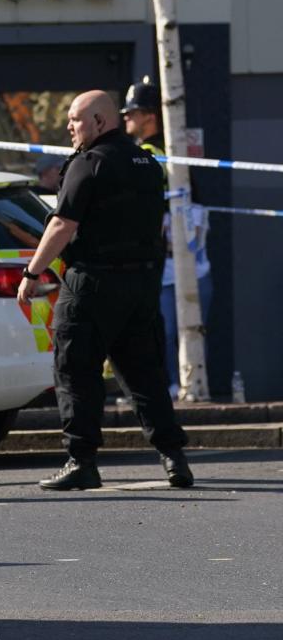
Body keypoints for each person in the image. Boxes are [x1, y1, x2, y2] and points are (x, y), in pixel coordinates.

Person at [16, 90, 194, 490]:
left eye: (75, 120)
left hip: (92, 285)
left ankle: (81, 461)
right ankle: (174, 457)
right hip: (141, 286)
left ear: (99, 121)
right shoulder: (147, 164)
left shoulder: (88, 163)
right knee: (145, 375)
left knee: (76, 371)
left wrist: (32, 272)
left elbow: (62, 225)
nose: (69, 128)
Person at [121, 76, 212, 399]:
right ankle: (177, 386)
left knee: (170, 333)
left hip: (175, 263)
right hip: (183, 264)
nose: (126, 118)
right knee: (174, 333)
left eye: (131, 112)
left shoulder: (149, 154)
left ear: (149, 115)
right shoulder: (162, 151)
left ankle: (176, 388)